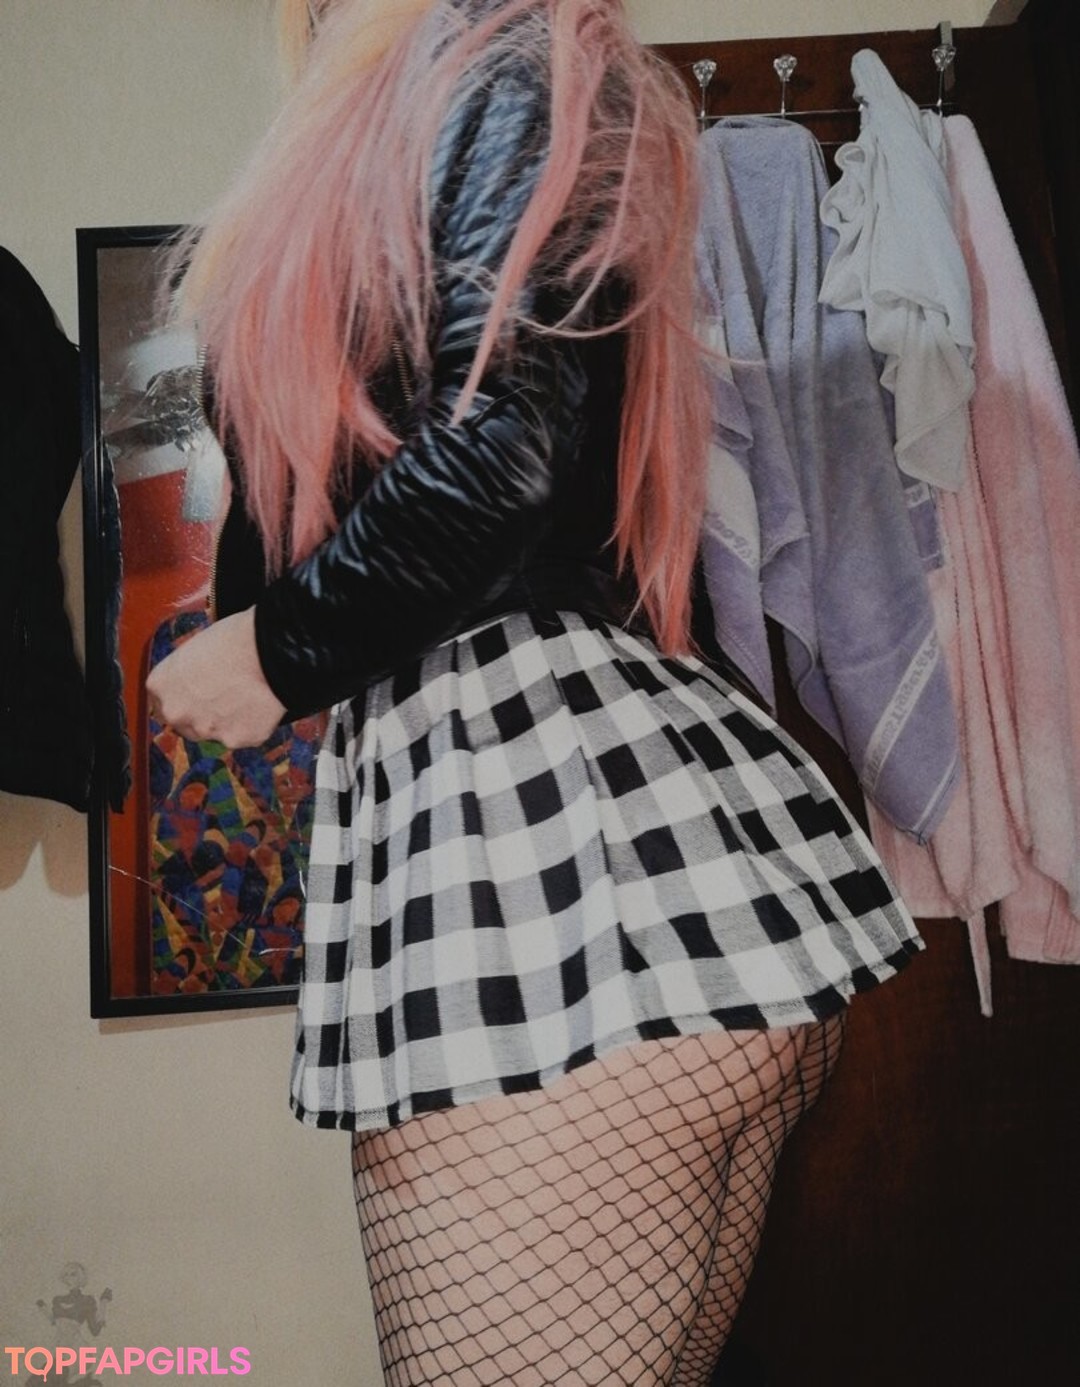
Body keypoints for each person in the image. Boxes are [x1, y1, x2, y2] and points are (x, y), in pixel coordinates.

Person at [146, 2, 923, 1382]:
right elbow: (339, 518)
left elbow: (492, 457)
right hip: (581, 859)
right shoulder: (411, 111)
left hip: (538, 879)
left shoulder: (495, 47)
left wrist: (267, 655)